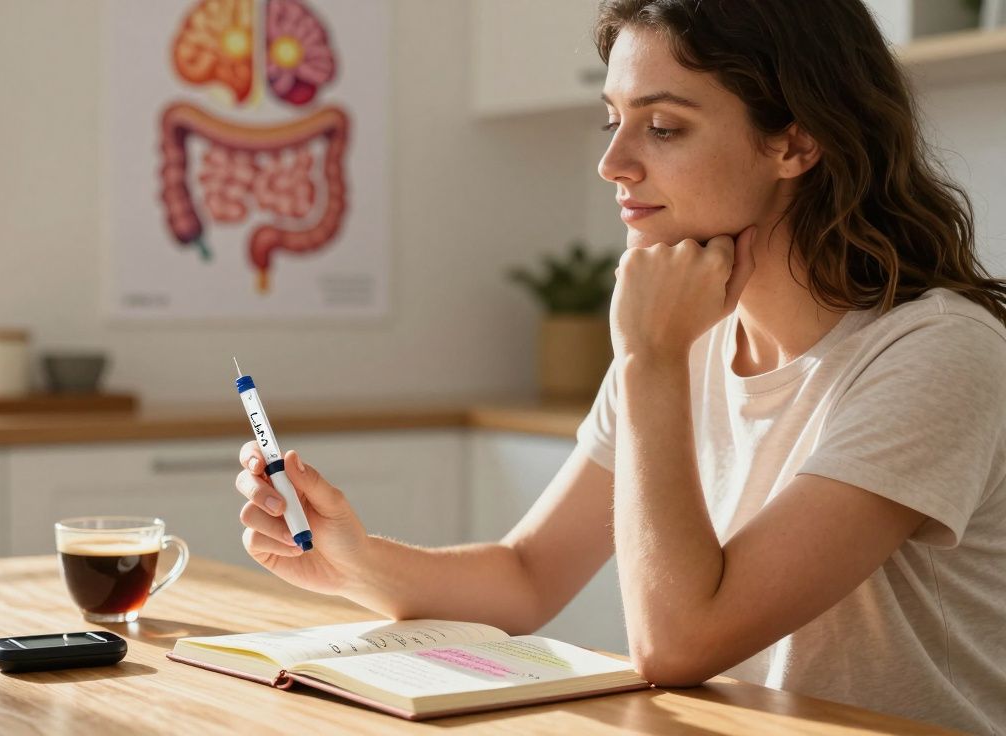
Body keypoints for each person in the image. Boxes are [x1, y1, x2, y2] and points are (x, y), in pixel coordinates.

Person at [234, 1, 1006, 731]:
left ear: (796, 144)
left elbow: (679, 645)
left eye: (663, 126)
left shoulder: (935, 352)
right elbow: (528, 574)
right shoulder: (685, 333)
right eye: (613, 120)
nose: (612, 162)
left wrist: (648, 360)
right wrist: (356, 559)